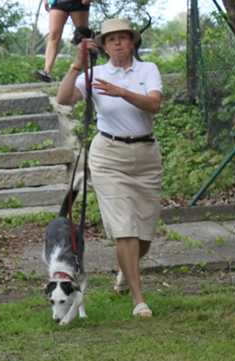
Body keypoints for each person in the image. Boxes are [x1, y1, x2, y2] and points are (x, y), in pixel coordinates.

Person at [55, 18, 163, 319]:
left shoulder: (147, 69)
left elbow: (154, 104)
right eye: (110, 39)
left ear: (132, 42)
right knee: (124, 228)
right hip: (108, 156)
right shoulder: (96, 74)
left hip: (146, 155)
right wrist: (76, 66)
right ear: (103, 46)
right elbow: (64, 99)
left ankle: (125, 271)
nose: (117, 43)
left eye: (123, 38)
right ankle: (138, 300)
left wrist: (122, 92)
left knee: (144, 236)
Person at [37, 0, 92, 82]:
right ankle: (46, 71)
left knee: (82, 36)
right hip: (58, 2)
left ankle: (86, 70)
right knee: (54, 35)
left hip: (79, 3)